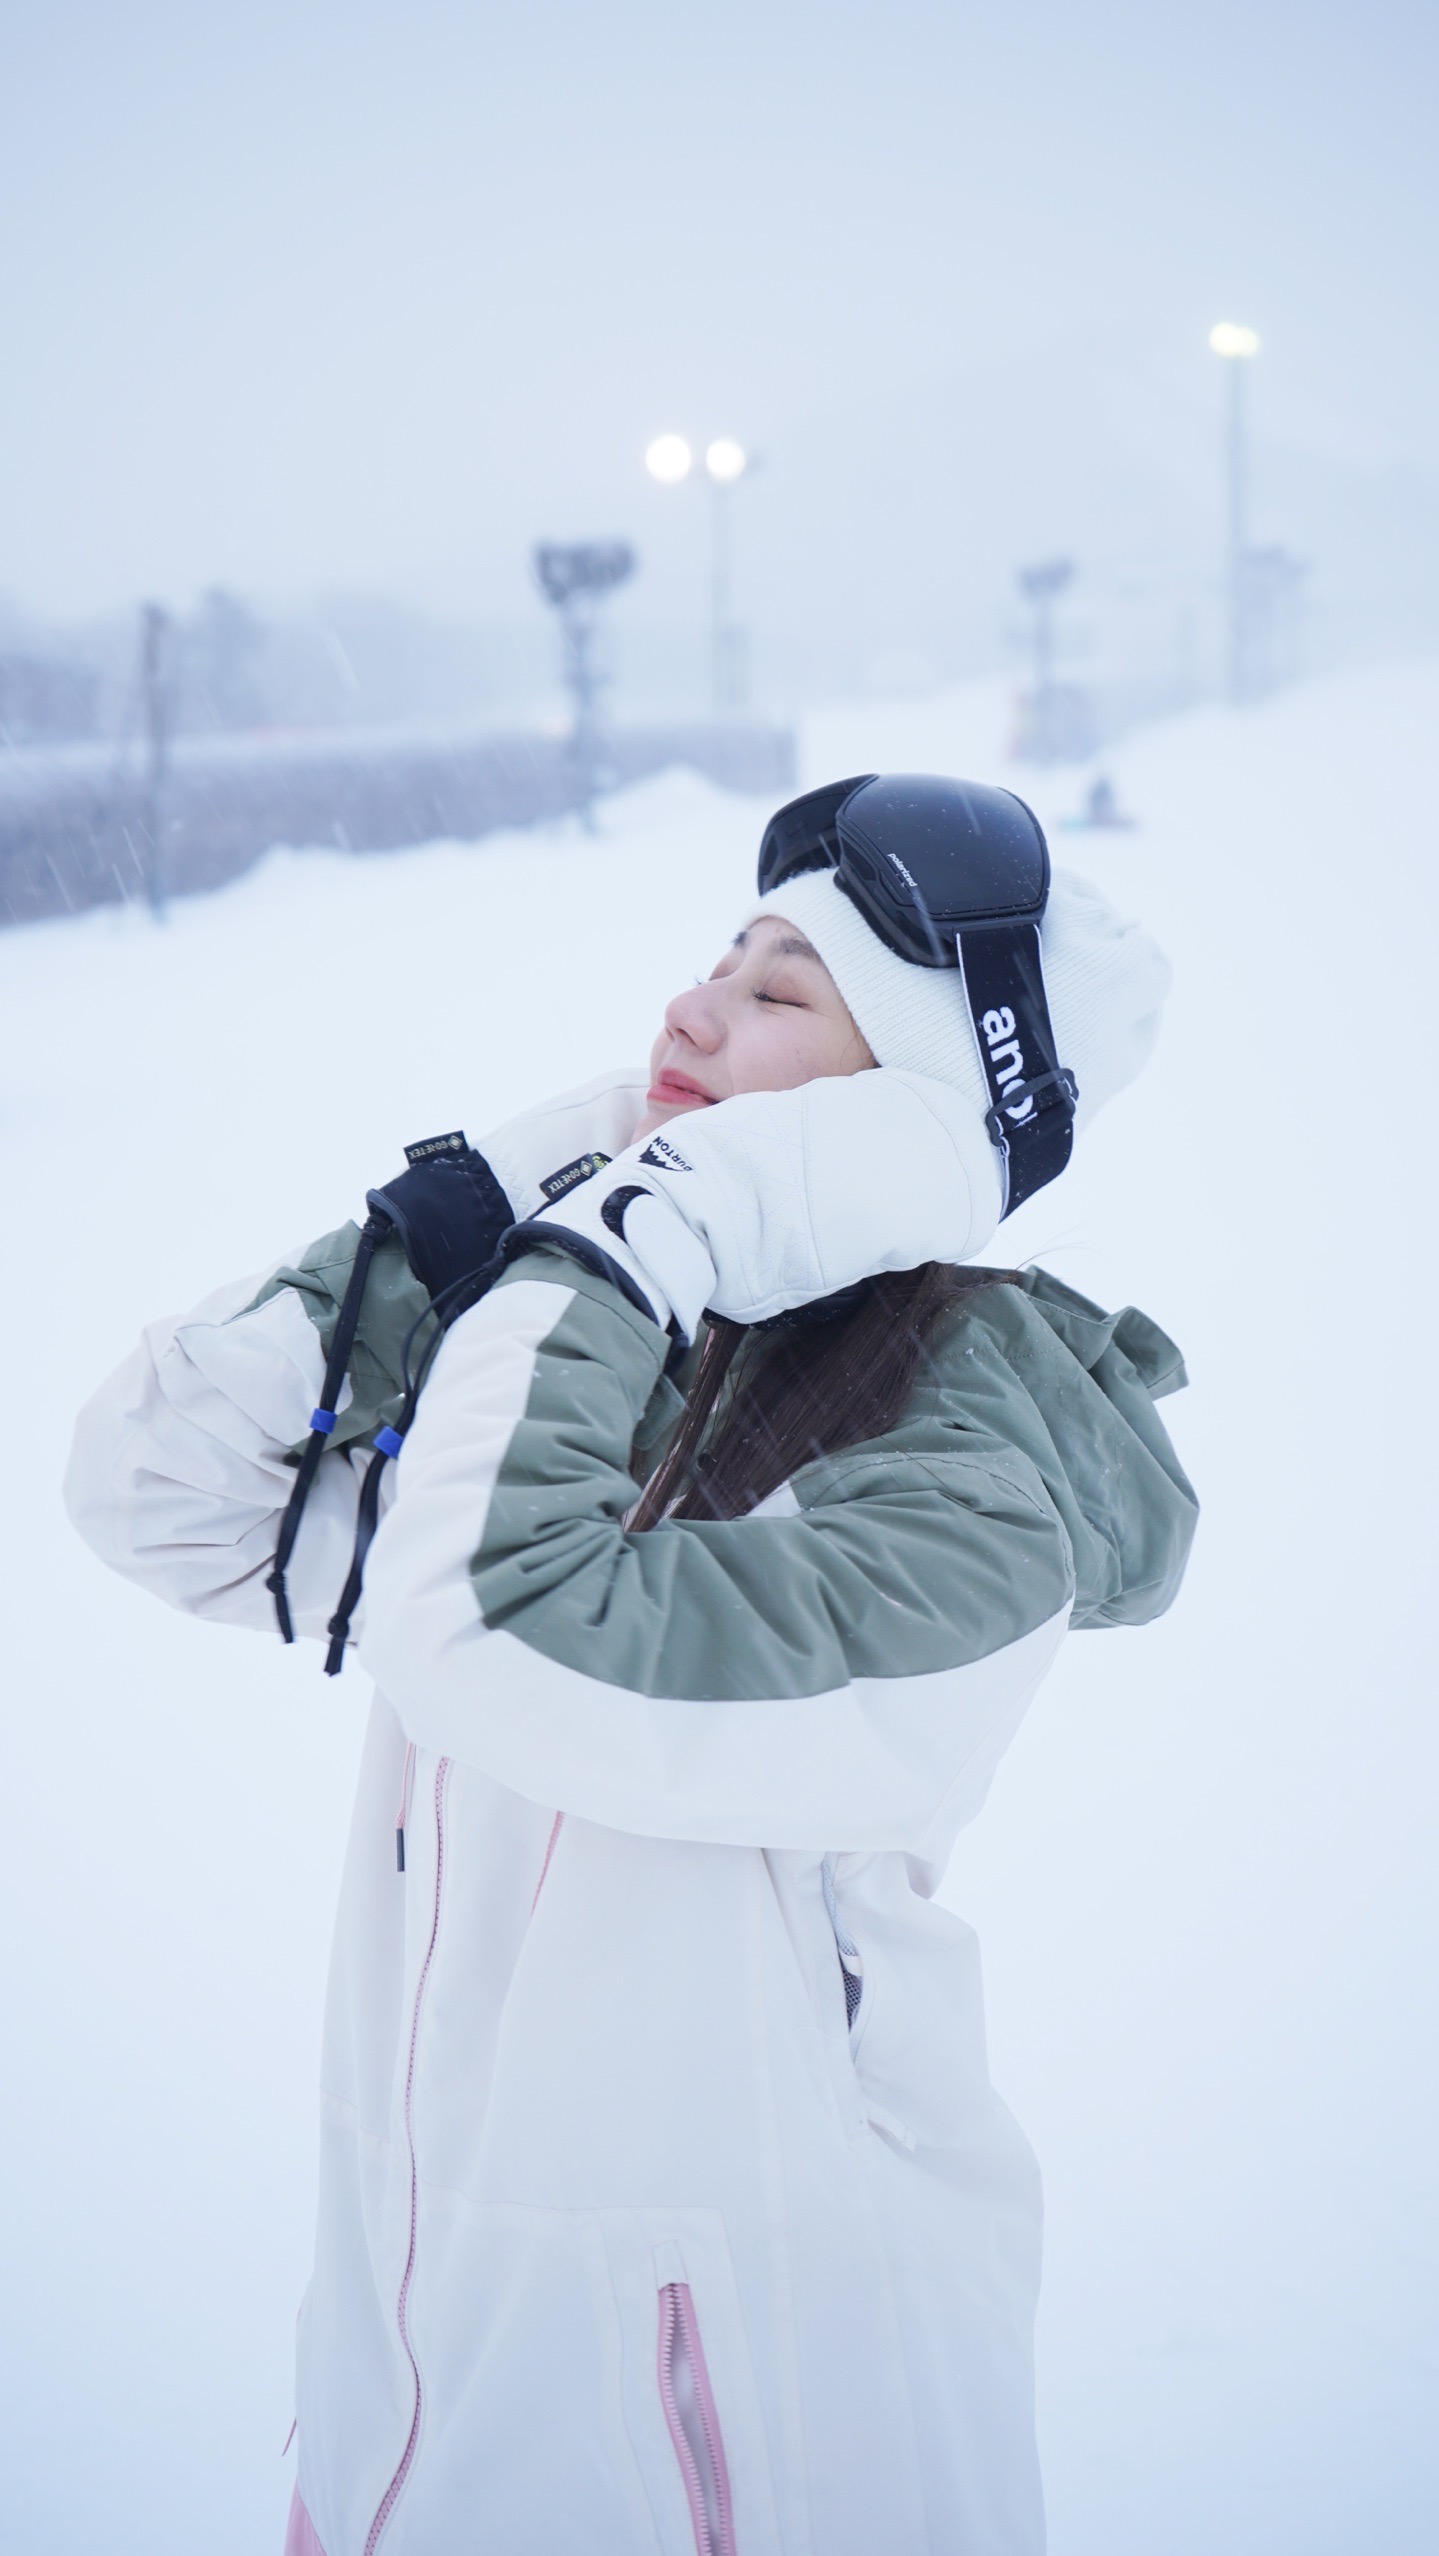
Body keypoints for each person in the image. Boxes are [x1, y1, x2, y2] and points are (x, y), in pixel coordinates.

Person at [66, 774, 1197, 2556]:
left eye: (780, 996)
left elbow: (510, 1625)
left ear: (902, 1118)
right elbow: (169, 1489)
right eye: (715, 965)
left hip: (763, 2437)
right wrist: (534, 1183)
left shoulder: (979, 1445)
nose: (690, 1011)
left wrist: (631, 1221)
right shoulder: (614, 1346)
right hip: (421, 2394)